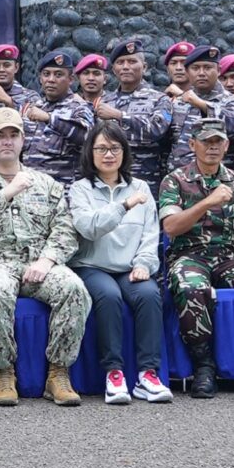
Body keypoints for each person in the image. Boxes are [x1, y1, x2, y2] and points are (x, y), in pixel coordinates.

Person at [0, 107, 89, 406]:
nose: (7, 141)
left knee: (74, 289)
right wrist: (6, 193)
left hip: (37, 263)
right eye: (0, 135)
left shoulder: (46, 184)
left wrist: (46, 260)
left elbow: (65, 230)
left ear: (23, 140)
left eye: (13, 135)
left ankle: (58, 374)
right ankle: (4, 373)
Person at [160, 119, 234, 400]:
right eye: (206, 142)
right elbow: (171, 227)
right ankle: (203, 366)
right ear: (192, 144)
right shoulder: (175, 180)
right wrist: (208, 202)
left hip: (228, 257)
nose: (212, 147)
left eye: (218, 142)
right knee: (190, 287)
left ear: (226, 145)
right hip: (189, 255)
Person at [69, 121, 166, 406]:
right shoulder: (80, 189)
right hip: (92, 265)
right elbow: (88, 228)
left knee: (149, 294)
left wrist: (144, 264)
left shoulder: (140, 187)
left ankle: (148, 375)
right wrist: (123, 206)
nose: (109, 154)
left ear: (124, 152)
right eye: (101, 148)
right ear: (90, 152)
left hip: (130, 267)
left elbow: (151, 233)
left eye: (115, 148)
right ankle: (114, 373)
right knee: (109, 296)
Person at [99, 39, 175, 188]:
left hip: (145, 180)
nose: (126, 67)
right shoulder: (105, 101)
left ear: (144, 67)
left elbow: (156, 130)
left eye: (132, 61)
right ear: (114, 70)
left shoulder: (159, 99)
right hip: (109, 179)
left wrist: (120, 116)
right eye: (120, 62)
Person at [163, 47, 234, 173]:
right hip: (178, 178)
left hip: (216, 178)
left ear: (218, 70)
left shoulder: (229, 100)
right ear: (187, 72)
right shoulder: (178, 102)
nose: (201, 73)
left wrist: (203, 105)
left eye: (207, 68)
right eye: (195, 68)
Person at [20, 51, 91, 188]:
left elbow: (86, 136)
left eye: (58, 75)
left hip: (63, 192)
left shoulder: (80, 108)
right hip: (30, 191)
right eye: (46, 74)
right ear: (40, 78)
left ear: (71, 79)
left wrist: (49, 118)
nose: (51, 79)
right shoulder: (33, 108)